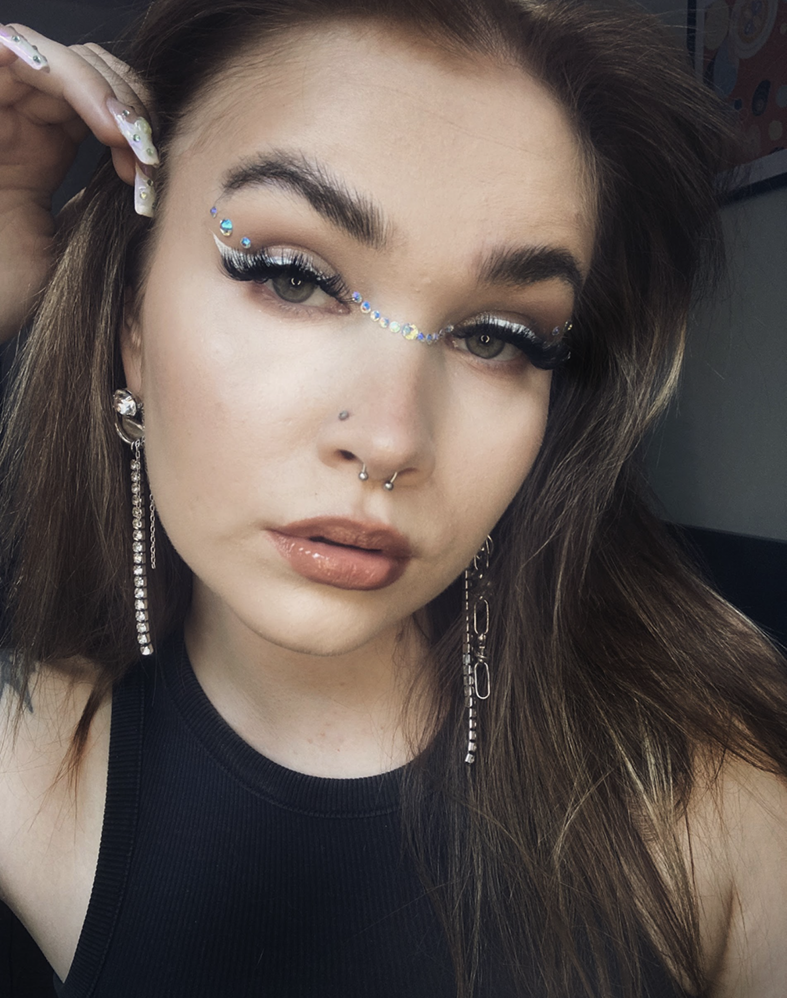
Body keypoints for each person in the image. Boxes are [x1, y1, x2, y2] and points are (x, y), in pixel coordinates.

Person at [0, 0, 786, 995]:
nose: (389, 440)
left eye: (496, 336)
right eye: (292, 277)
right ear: (133, 328)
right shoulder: (24, 759)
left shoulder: (717, 801)